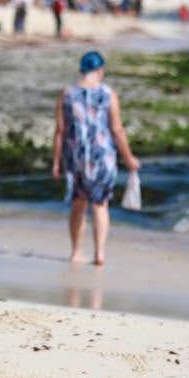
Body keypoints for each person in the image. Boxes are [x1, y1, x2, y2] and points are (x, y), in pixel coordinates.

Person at [52, 51, 140, 266]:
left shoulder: (67, 94)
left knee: (78, 205)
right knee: (100, 205)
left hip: (76, 157)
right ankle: (99, 253)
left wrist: (56, 162)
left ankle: (76, 252)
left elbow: (60, 131)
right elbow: (117, 129)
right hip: (102, 157)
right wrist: (128, 157)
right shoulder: (108, 94)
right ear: (100, 70)